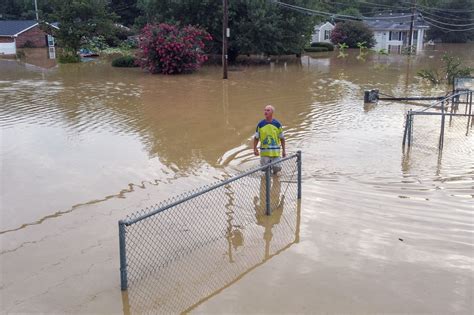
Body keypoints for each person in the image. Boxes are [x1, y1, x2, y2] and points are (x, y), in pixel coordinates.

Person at [253, 105, 286, 174]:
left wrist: (284, 151)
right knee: (266, 171)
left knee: (277, 169)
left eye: (268, 110)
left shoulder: (277, 124)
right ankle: (266, 183)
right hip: (265, 153)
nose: (265, 112)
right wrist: (255, 148)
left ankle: (275, 180)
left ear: (272, 112)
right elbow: (256, 138)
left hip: (275, 153)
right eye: (265, 110)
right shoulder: (260, 124)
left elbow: (282, 138)